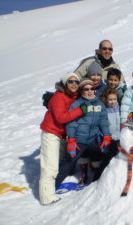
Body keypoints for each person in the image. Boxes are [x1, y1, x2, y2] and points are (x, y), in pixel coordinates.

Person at [39, 72, 86, 205]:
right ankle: (46, 197)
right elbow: (61, 117)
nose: (74, 84)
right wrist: (80, 111)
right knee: (50, 166)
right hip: (51, 133)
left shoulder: (74, 96)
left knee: (56, 163)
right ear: (65, 83)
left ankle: (49, 190)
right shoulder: (59, 97)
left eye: (76, 82)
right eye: (70, 82)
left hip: (61, 135)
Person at [55, 79, 111, 187]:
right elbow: (71, 123)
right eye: (86, 89)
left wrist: (107, 136)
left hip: (93, 139)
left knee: (108, 154)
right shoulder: (77, 104)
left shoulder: (100, 104)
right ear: (82, 91)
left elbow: (103, 121)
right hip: (79, 141)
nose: (90, 91)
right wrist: (71, 140)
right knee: (68, 162)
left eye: (92, 88)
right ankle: (52, 185)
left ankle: (99, 179)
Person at [99, 88, 121, 174]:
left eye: (115, 99)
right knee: (107, 159)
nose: (113, 101)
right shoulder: (104, 110)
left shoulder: (120, 109)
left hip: (120, 139)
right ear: (106, 100)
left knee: (118, 159)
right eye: (110, 99)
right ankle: (101, 176)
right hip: (109, 139)